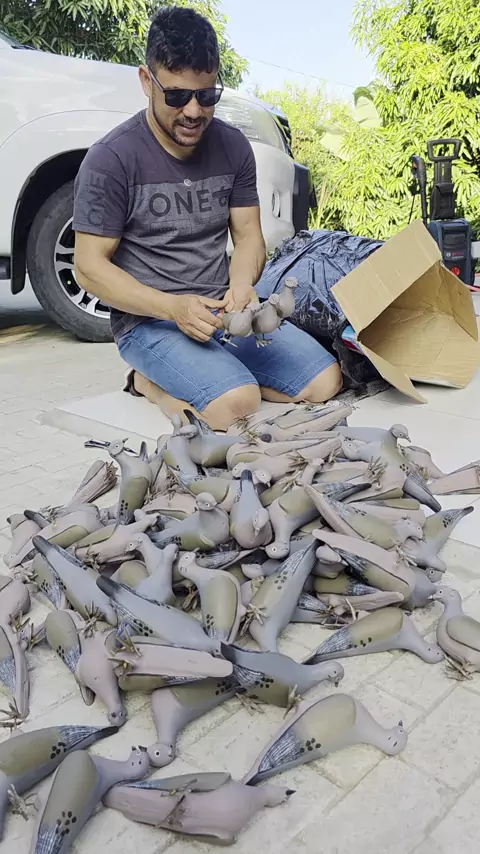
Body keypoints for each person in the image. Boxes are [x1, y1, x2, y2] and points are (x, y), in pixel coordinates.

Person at [73, 5, 342, 430]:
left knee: (325, 381)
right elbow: (89, 268)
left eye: (207, 95)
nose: (194, 111)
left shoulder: (234, 147)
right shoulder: (111, 159)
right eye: (177, 96)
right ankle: (147, 382)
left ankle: (220, 373)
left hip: (223, 313)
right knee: (237, 405)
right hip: (151, 322)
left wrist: (241, 284)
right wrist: (172, 307)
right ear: (146, 81)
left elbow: (249, 237)